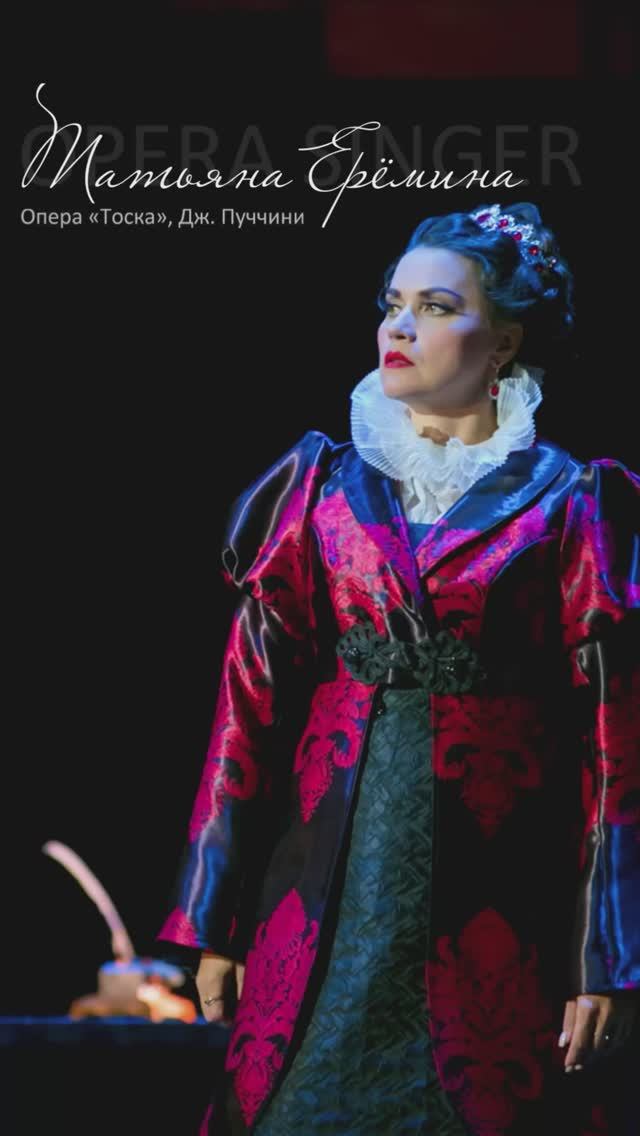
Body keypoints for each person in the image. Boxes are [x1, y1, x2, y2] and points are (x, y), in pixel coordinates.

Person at [156, 202, 639, 1136]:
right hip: (320, 910)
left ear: (504, 340)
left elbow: (616, 748)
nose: (400, 326)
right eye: (392, 303)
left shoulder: (573, 506)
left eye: (436, 306)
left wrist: (610, 959)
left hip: (502, 919)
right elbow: (246, 714)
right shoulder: (319, 492)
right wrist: (211, 917)